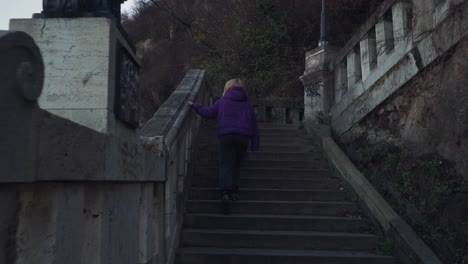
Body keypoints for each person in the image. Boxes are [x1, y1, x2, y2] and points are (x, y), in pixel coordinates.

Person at [188, 78, 259, 213]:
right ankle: (234, 191)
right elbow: (254, 126)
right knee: (237, 164)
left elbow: (208, 113)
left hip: (226, 136)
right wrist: (255, 144)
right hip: (243, 137)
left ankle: (225, 191)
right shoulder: (248, 106)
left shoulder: (222, 102)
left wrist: (195, 105)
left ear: (227, 89)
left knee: (226, 163)